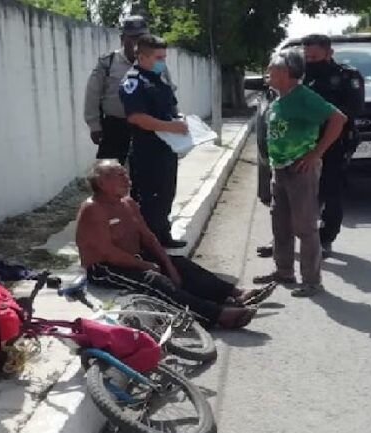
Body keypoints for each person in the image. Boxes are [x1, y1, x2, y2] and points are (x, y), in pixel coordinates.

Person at [75, 160, 271, 329]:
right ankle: (216, 316)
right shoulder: (93, 209)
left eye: (125, 173)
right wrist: (147, 265)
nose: (127, 178)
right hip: (105, 269)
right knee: (155, 281)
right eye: (119, 175)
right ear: (101, 182)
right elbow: (109, 253)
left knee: (181, 264)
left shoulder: (127, 203)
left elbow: (148, 237)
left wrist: (168, 265)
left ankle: (234, 293)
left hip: (134, 258)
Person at [256, 34, 365, 259]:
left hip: (333, 142)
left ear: (329, 53)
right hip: (296, 147)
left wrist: (314, 120)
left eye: (315, 56)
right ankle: (281, 241)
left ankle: (325, 239)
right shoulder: (297, 76)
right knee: (287, 197)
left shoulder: (346, 77)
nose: (310, 60)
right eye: (307, 56)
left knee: (330, 191)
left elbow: (351, 110)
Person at [252, 50, 348, 297]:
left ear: (285, 73)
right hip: (280, 169)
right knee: (280, 224)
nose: (267, 72)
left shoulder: (304, 97)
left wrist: (315, 154)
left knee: (305, 227)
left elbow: (338, 119)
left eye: (271, 68)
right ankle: (284, 271)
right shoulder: (279, 98)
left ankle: (312, 281)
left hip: (300, 169)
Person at [119, 34, 188, 249]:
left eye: (164, 57)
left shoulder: (158, 79)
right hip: (147, 152)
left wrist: (180, 120)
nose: (162, 62)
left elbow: (169, 108)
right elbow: (136, 117)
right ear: (142, 57)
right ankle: (148, 245)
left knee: (166, 194)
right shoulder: (133, 82)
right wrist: (171, 127)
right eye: (159, 58)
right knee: (148, 200)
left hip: (166, 148)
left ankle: (163, 236)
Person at [83, 16, 175, 164]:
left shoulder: (157, 64)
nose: (137, 41)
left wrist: (174, 118)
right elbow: (92, 94)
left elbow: (169, 93)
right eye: (133, 37)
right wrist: (94, 126)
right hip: (115, 128)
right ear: (122, 38)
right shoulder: (108, 62)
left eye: (142, 37)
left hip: (149, 129)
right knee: (111, 174)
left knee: (146, 176)